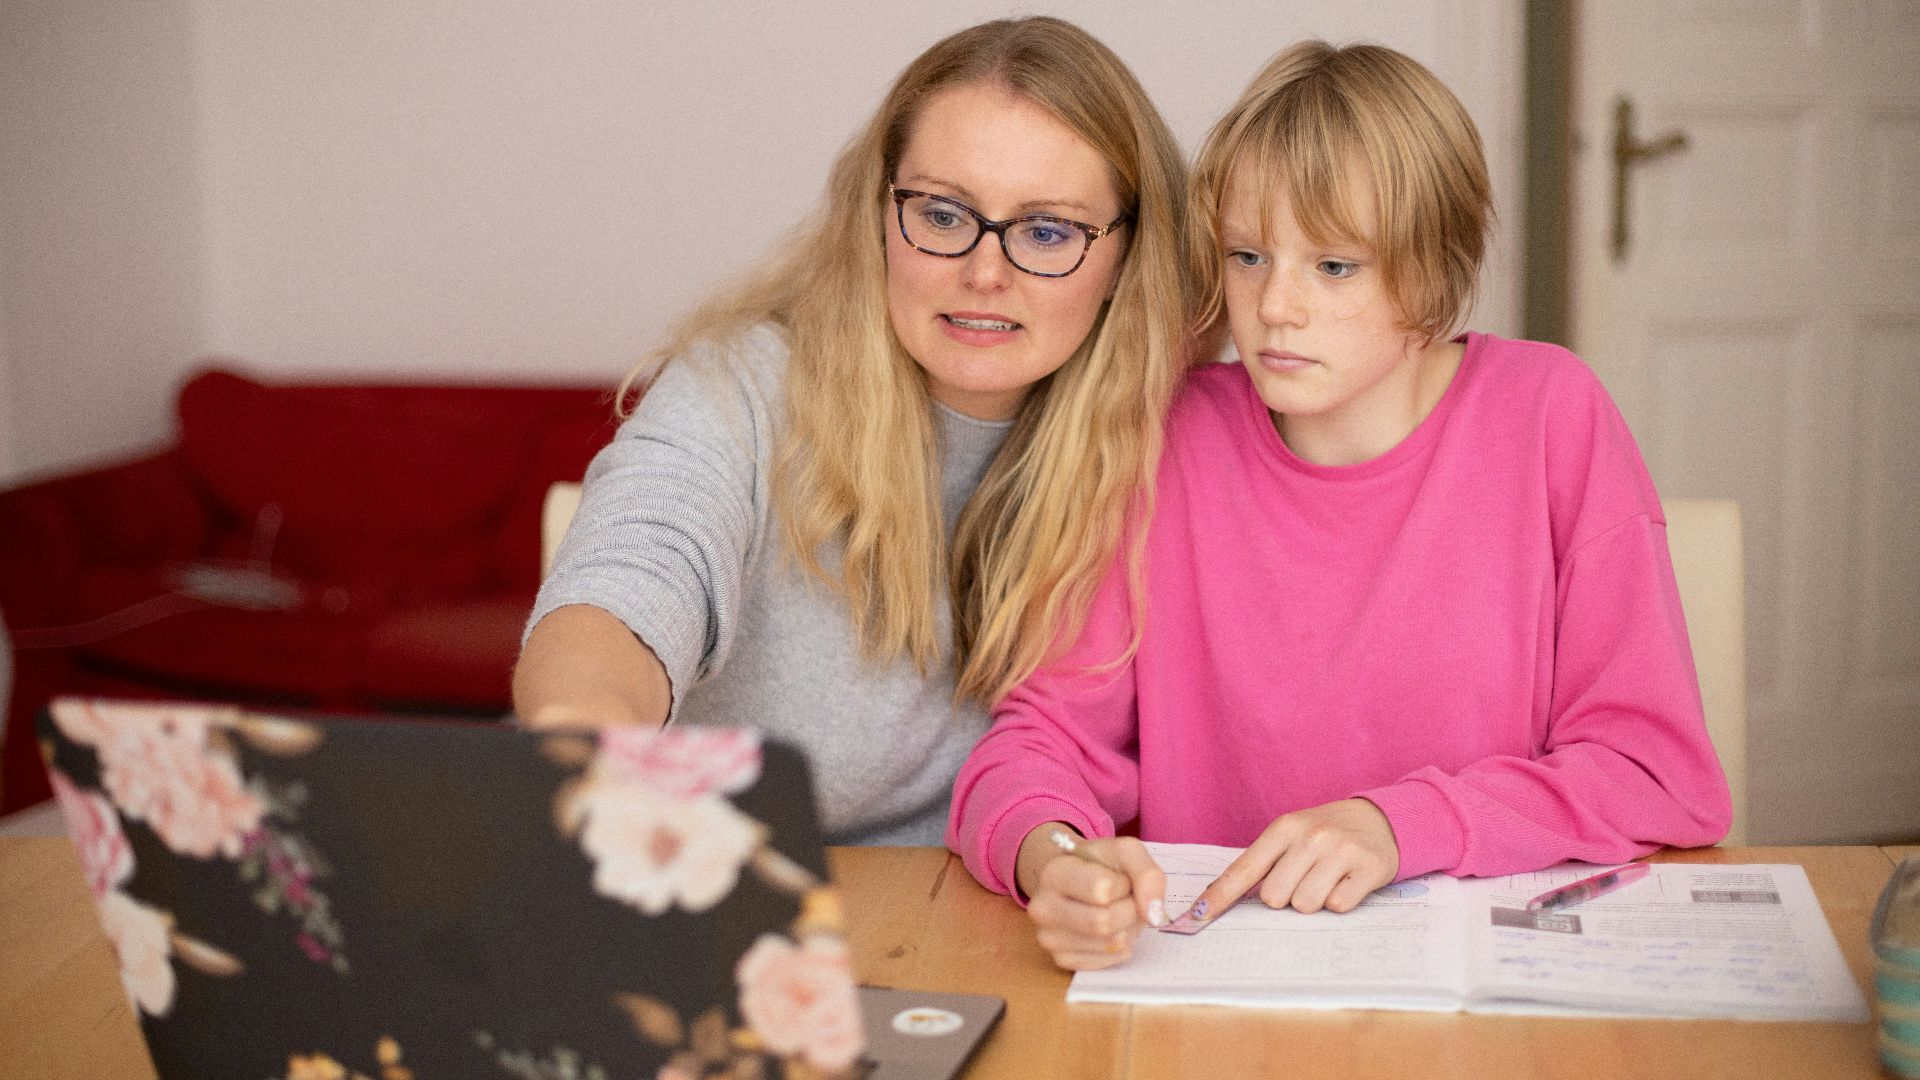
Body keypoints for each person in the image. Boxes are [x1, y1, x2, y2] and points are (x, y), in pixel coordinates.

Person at [946, 40, 1732, 969]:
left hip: (1483, 993)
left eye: (1335, 266)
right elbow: (1038, 742)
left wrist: (1400, 825)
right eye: (1248, 255)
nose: (1276, 305)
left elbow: (1654, 776)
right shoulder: (1167, 437)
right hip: (1215, 991)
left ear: (1432, 272)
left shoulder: (1550, 415)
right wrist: (1055, 858)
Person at [512, 17, 1191, 846]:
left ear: (1126, 253)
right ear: (878, 215)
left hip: (981, 914)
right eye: (943, 215)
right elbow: (631, 575)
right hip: (714, 890)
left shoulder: (1170, 440)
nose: (986, 272)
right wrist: (584, 730)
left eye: (1047, 231)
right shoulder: (744, 387)